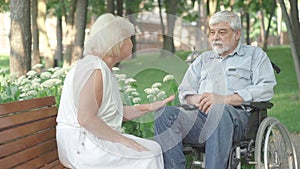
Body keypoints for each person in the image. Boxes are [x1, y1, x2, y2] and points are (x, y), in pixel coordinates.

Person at [154, 10, 277, 169]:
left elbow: (265, 88)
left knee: (219, 110)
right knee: (164, 114)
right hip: (200, 119)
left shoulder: (254, 56)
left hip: (238, 119)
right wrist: (195, 99)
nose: (215, 37)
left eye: (222, 32)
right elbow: (185, 90)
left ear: (237, 34)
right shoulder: (203, 59)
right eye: (212, 32)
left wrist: (224, 99)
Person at [56, 13, 174, 169]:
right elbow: (86, 119)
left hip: (91, 139)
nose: (132, 44)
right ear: (115, 41)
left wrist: (149, 107)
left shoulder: (103, 69)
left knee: (154, 149)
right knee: (148, 155)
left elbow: (114, 113)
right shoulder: (94, 70)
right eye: (128, 39)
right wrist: (122, 139)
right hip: (81, 146)